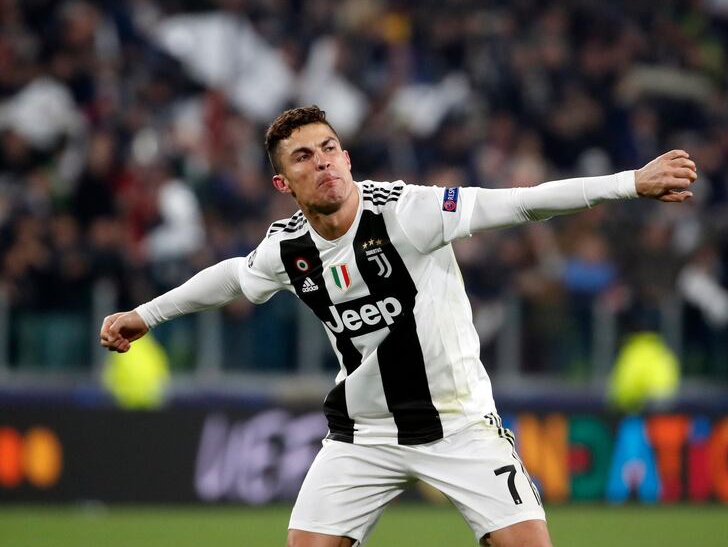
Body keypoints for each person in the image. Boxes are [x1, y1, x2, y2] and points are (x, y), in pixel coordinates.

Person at [100, 106, 697, 547]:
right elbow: (232, 278)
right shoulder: (287, 248)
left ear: (347, 156)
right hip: (363, 435)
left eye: (330, 148)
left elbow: (518, 203)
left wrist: (628, 183)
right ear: (285, 184)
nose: (324, 162)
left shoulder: (406, 212)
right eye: (304, 157)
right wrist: (144, 316)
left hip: (459, 423)